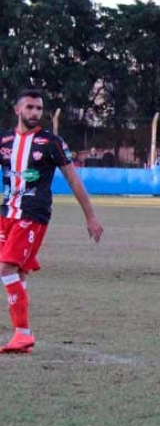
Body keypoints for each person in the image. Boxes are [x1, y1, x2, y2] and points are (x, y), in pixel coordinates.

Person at [0, 89, 104, 353]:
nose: (35, 113)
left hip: (33, 214)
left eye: (38, 108)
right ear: (18, 110)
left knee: (6, 269)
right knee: (17, 272)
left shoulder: (52, 142)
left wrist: (90, 216)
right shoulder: (5, 140)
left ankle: (22, 335)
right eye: (30, 108)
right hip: (6, 214)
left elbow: (72, 178)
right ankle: (22, 335)